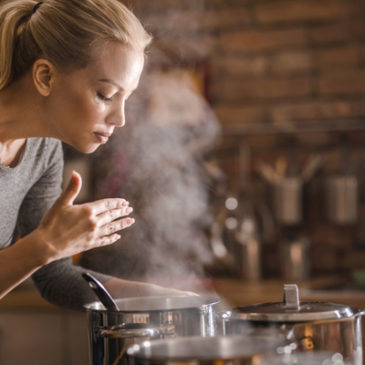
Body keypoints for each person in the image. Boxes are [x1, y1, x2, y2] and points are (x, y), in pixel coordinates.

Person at [0, 0, 193, 310]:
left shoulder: (43, 151)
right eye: (106, 95)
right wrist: (45, 244)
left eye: (125, 98)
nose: (120, 119)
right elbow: (43, 251)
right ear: (46, 77)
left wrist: (164, 299)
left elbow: (56, 276)